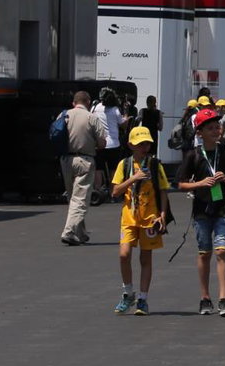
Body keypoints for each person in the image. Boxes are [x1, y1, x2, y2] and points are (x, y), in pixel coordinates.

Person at [176, 108, 225, 316]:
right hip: (201, 210)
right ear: (199, 132)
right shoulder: (193, 155)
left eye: (217, 126)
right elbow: (181, 184)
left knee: (222, 251)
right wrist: (200, 183)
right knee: (205, 252)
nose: (215, 130)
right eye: (210, 128)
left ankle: (224, 298)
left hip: (222, 209)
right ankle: (205, 297)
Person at [110, 126, 170, 315]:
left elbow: (163, 191)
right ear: (131, 145)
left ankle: (143, 299)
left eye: (147, 144)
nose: (144, 147)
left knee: (146, 257)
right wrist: (133, 178)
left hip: (149, 219)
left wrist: (163, 214)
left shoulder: (155, 165)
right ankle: (128, 292)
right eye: (140, 144)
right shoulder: (125, 164)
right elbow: (115, 191)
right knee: (124, 254)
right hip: (129, 217)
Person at [59, 90, 107, 246]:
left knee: (72, 197)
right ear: (88, 102)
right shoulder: (91, 118)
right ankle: (69, 232)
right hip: (85, 160)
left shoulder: (64, 115)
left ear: (74, 103)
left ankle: (81, 233)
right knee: (80, 199)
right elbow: (102, 143)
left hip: (66, 159)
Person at [93, 88, 127, 197]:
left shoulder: (96, 108)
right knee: (113, 170)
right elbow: (123, 124)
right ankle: (113, 192)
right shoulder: (115, 110)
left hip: (100, 143)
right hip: (113, 144)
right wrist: (126, 116)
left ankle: (98, 191)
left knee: (98, 168)